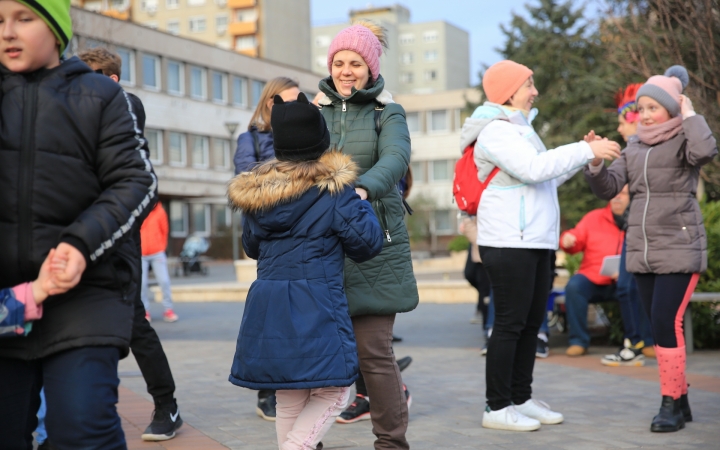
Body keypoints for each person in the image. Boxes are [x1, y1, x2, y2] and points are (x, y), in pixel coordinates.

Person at [0, 0, 157, 447]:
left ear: (55, 27)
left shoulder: (100, 95)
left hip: (85, 293)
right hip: (5, 298)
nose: (8, 31)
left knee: (82, 426)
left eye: (24, 18)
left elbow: (136, 180)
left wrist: (80, 243)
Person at [460, 59, 621, 431]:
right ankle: (496, 407)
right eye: (528, 84)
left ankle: (520, 398)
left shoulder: (522, 130)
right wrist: (583, 151)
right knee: (510, 324)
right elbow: (534, 169)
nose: (535, 91)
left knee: (532, 324)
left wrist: (585, 152)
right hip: (507, 242)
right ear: (508, 92)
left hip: (534, 241)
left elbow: (543, 177)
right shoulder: (495, 131)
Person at [227, 92, 383, 450]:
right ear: (320, 142)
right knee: (336, 392)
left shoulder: (257, 195)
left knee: (290, 392)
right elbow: (367, 243)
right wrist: (361, 203)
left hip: (269, 302)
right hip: (316, 300)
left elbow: (251, 247)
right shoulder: (333, 192)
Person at [584, 65, 717, 432]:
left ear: (671, 108)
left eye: (651, 108)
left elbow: (707, 151)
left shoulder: (686, 138)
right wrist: (595, 163)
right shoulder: (635, 144)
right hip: (642, 251)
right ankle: (682, 399)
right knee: (658, 327)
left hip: (679, 244)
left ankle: (670, 403)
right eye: (640, 109)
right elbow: (610, 187)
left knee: (664, 321)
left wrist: (690, 113)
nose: (643, 115)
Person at [317, 21, 419, 448]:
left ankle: (391, 443)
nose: (345, 70)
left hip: (372, 241)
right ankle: (306, 440)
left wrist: (362, 188)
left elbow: (397, 156)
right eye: (339, 62)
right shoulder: (314, 110)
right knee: (316, 356)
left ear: (370, 68)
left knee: (374, 353)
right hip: (320, 245)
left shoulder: (386, 112)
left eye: (355, 63)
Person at [78, 47, 184, 441]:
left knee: (133, 323)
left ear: (111, 79)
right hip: (76, 235)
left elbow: (141, 184)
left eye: (86, 76)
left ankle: (167, 406)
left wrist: (117, 228)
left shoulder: (126, 107)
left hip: (116, 239)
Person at [232, 76, 300, 422]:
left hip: (303, 234)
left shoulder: (306, 134)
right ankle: (266, 392)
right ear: (270, 103)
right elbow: (246, 179)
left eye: (298, 103)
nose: (293, 109)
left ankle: (299, 386)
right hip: (271, 236)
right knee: (273, 318)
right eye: (286, 102)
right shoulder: (251, 139)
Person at [560, 186, 651, 361]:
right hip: (593, 279)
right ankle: (578, 341)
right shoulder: (593, 218)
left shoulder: (639, 222)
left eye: (623, 194)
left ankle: (645, 342)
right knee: (574, 287)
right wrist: (567, 240)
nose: (617, 198)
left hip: (626, 280)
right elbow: (575, 239)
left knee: (642, 289)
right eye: (614, 194)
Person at [600, 83, 656, 365]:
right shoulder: (628, 155)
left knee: (640, 289)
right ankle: (636, 342)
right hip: (635, 232)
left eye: (623, 122)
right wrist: (594, 163)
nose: (620, 129)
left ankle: (644, 342)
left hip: (655, 235)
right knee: (627, 287)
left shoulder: (658, 151)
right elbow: (607, 185)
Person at [233, 76, 300, 174]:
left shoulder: (306, 135)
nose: (297, 107)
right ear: (271, 104)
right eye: (291, 102)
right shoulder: (249, 140)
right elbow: (246, 183)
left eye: (300, 102)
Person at [140, 202, 178, 323]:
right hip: (141, 254)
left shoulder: (160, 211)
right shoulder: (138, 210)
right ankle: (145, 311)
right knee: (142, 283)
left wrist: (161, 247)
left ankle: (168, 310)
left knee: (164, 281)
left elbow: (164, 230)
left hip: (157, 252)